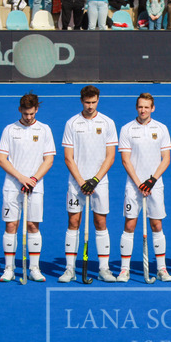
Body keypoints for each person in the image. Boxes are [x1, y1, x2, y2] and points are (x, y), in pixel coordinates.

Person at [61, 85, 118, 283]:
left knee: (100, 222)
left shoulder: (108, 122)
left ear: (98, 100)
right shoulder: (72, 123)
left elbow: (110, 157)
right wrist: (81, 181)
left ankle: (104, 269)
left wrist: (94, 180)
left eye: (94, 102)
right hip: (77, 182)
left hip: (99, 182)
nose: (90, 106)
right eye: (87, 102)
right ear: (81, 101)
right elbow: (68, 158)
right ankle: (69, 269)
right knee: (73, 222)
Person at [0, 94, 55, 282]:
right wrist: (21, 178)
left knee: (32, 225)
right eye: (25, 113)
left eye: (32, 113)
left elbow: (49, 159)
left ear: (36, 109)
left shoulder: (44, 130)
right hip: (13, 186)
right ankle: (9, 268)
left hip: (35, 186)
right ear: (19, 110)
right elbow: (1, 159)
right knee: (11, 225)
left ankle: (34, 268)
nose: (28, 117)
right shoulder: (9, 130)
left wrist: (34, 179)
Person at [116, 93, 171, 282]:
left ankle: (162, 269)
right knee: (130, 224)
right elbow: (125, 160)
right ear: (136, 107)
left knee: (157, 225)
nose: (143, 110)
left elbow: (166, 159)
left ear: (152, 108)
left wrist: (152, 181)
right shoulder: (126, 129)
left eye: (147, 107)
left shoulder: (161, 128)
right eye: (140, 107)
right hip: (134, 186)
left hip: (155, 185)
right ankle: (124, 270)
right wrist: (140, 182)